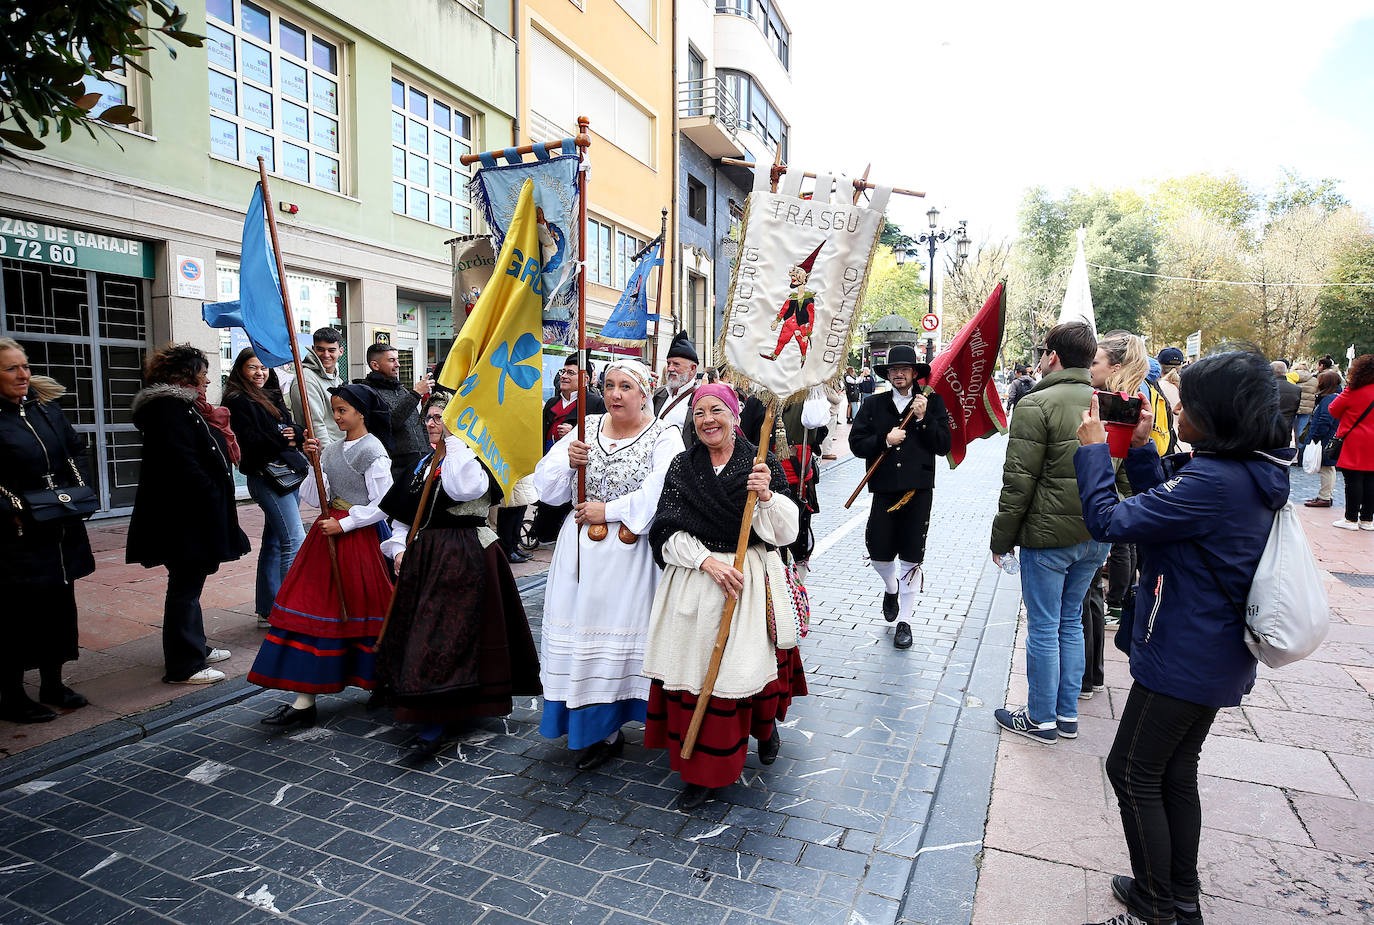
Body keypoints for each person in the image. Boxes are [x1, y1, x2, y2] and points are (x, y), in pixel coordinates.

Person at [1073, 347, 1292, 925]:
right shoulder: (1246, 471)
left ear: (1217, 416)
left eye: (1186, 403)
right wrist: (1143, 449)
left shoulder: (1217, 481)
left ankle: (1158, 905)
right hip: (1209, 650)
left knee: (1131, 770)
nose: (1176, 408)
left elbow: (1111, 520)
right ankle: (1177, 896)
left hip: (1186, 650)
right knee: (1171, 772)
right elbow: (1167, 507)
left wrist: (1095, 452)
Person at [643, 384, 806, 809]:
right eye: (699, 413)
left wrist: (768, 495)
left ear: (734, 415)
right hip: (696, 580)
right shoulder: (683, 465)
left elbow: (788, 532)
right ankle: (702, 772)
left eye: (716, 410)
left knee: (745, 670)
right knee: (696, 674)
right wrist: (705, 562)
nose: (707, 420)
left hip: (746, 579)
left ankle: (766, 730)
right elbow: (664, 528)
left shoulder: (760, 460)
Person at [532, 359, 682, 769]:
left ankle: (612, 724)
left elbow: (663, 491)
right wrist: (568, 459)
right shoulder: (586, 428)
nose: (615, 394)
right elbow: (544, 488)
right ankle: (589, 725)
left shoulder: (663, 436)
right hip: (579, 551)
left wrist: (609, 510)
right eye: (610, 385)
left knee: (617, 637)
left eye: (626, 387)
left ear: (644, 392)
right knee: (579, 632)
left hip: (630, 557)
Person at [376, 391, 542, 753]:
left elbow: (463, 488)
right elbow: (403, 515)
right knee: (424, 632)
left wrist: (456, 443)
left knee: (450, 635)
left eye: (442, 417)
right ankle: (422, 702)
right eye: (431, 418)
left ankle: (442, 713)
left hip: (468, 556)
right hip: (426, 558)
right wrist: (399, 548)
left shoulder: (477, 461)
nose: (434, 424)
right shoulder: (422, 465)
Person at [990, 322, 1111, 743]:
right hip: (1095, 533)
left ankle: (1040, 717)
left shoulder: (1036, 403)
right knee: (1070, 621)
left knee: (1043, 626)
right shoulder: (1105, 403)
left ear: (1053, 355)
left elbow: (1018, 482)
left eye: (1043, 352)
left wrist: (1000, 540)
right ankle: (1065, 715)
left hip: (1048, 537)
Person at [247, 384, 394, 726]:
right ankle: (304, 698)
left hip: (360, 539)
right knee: (316, 611)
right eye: (335, 409)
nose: (337, 416)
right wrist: (313, 462)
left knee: (366, 610)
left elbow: (383, 504)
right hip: (327, 539)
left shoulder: (373, 451)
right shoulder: (332, 450)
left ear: (361, 412)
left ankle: (381, 680)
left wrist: (346, 525)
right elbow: (315, 498)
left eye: (343, 410)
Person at [127, 344, 250, 684]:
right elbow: (183, 462)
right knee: (184, 584)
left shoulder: (182, 407)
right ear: (184, 376)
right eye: (202, 373)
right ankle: (184, 664)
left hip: (191, 512)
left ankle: (195, 646)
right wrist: (211, 494)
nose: (207, 380)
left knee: (189, 583)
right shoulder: (169, 409)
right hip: (183, 515)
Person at [0, 340, 95, 722]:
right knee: (16, 617)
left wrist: (79, 492)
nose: (23, 375)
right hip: (17, 536)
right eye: (11, 369)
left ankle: (53, 683)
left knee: (59, 609)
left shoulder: (45, 409)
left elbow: (75, 452)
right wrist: (12, 509)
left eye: (25, 366)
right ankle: (11, 695)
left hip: (60, 525)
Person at [848, 344, 952, 649]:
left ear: (914, 373)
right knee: (878, 550)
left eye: (904, 369)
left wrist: (923, 419)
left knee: (911, 554)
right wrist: (885, 439)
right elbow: (856, 444)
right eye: (893, 370)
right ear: (888, 374)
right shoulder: (873, 405)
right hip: (883, 489)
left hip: (918, 490)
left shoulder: (932, 403)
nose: (898, 374)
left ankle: (905, 620)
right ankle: (891, 587)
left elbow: (943, 445)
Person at [222, 348, 307, 630]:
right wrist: (284, 439)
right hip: (267, 478)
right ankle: (289, 614)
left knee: (274, 543)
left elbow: (292, 426)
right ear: (240, 371)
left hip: (287, 475)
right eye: (252, 368)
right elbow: (250, 442)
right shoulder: (237, 400)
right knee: (294, 540)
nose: (260, 373)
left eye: (263, 367)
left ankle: (269, 609)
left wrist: (293, 433)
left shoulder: (270, 395)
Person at [740, 387, 831, 580]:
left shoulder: (809, 395)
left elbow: (817, 424)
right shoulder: (758, 400)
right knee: (764, 539)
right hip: (763, 482)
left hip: (797, 483)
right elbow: (745, 439)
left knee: (797, 541)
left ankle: (796, 591)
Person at [532, 356, 605, 545]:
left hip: (576, 464)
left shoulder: (595, 403)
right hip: (550, 460)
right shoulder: (551, 403)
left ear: (585, 379)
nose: (564, 376)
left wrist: (573, 433)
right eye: (563, 372)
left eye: (570, 373)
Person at [358, 343, 431, 483]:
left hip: (419, 460)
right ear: (375, 365)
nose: (398, 364)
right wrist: (415, 394)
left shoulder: (401, 389)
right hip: (396, 467)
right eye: (391, 360)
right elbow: (389, 424)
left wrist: (427, 452)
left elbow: (418, 422)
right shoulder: (369, 392)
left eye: (397, 359)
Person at [1328, 354, 1374, 530]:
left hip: (1355, 439)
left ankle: (1351, 519)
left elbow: (1333, 410)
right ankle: (1368, 519)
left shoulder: (1353, 390)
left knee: (1353, 479)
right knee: (1371, 479)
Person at [288, 327, 345, 446]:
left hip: (341, 451)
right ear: (313, 349)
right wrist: (328, 459)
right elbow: (316, 425)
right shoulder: (306, 379)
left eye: (331, 350)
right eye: (320, 350)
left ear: (341, 351)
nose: (326, 355)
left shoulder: (338, 380)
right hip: (325, 455)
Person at [1302, 370, 1344, 509]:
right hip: (1328, 436)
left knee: (1326, 467)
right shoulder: (1333, 397)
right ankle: (1325, 495)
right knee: (1327, 467)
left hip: (1325, 438)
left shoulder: (1328, 399)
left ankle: (1324, 497)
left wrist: (1316, 437)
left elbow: (1325, 419)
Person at [653, 331, 700, 444]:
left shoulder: (701, 398)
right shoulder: (660, 393)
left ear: (692, 369)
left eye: (676, 364)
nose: (670, 368)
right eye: (668, 363)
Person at [1271, 360, 1301, 439]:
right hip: (1285, 430)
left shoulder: (1267, 387)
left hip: (1267, 429)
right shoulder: (1296, 389)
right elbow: (1295, 409)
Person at [1291, 360, 1318, 446]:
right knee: (1300, 431)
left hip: (1293, 407)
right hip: (1307, 409)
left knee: (1288, 430)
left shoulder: (1292, 377)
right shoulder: (1314, 380)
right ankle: (1299, 451)